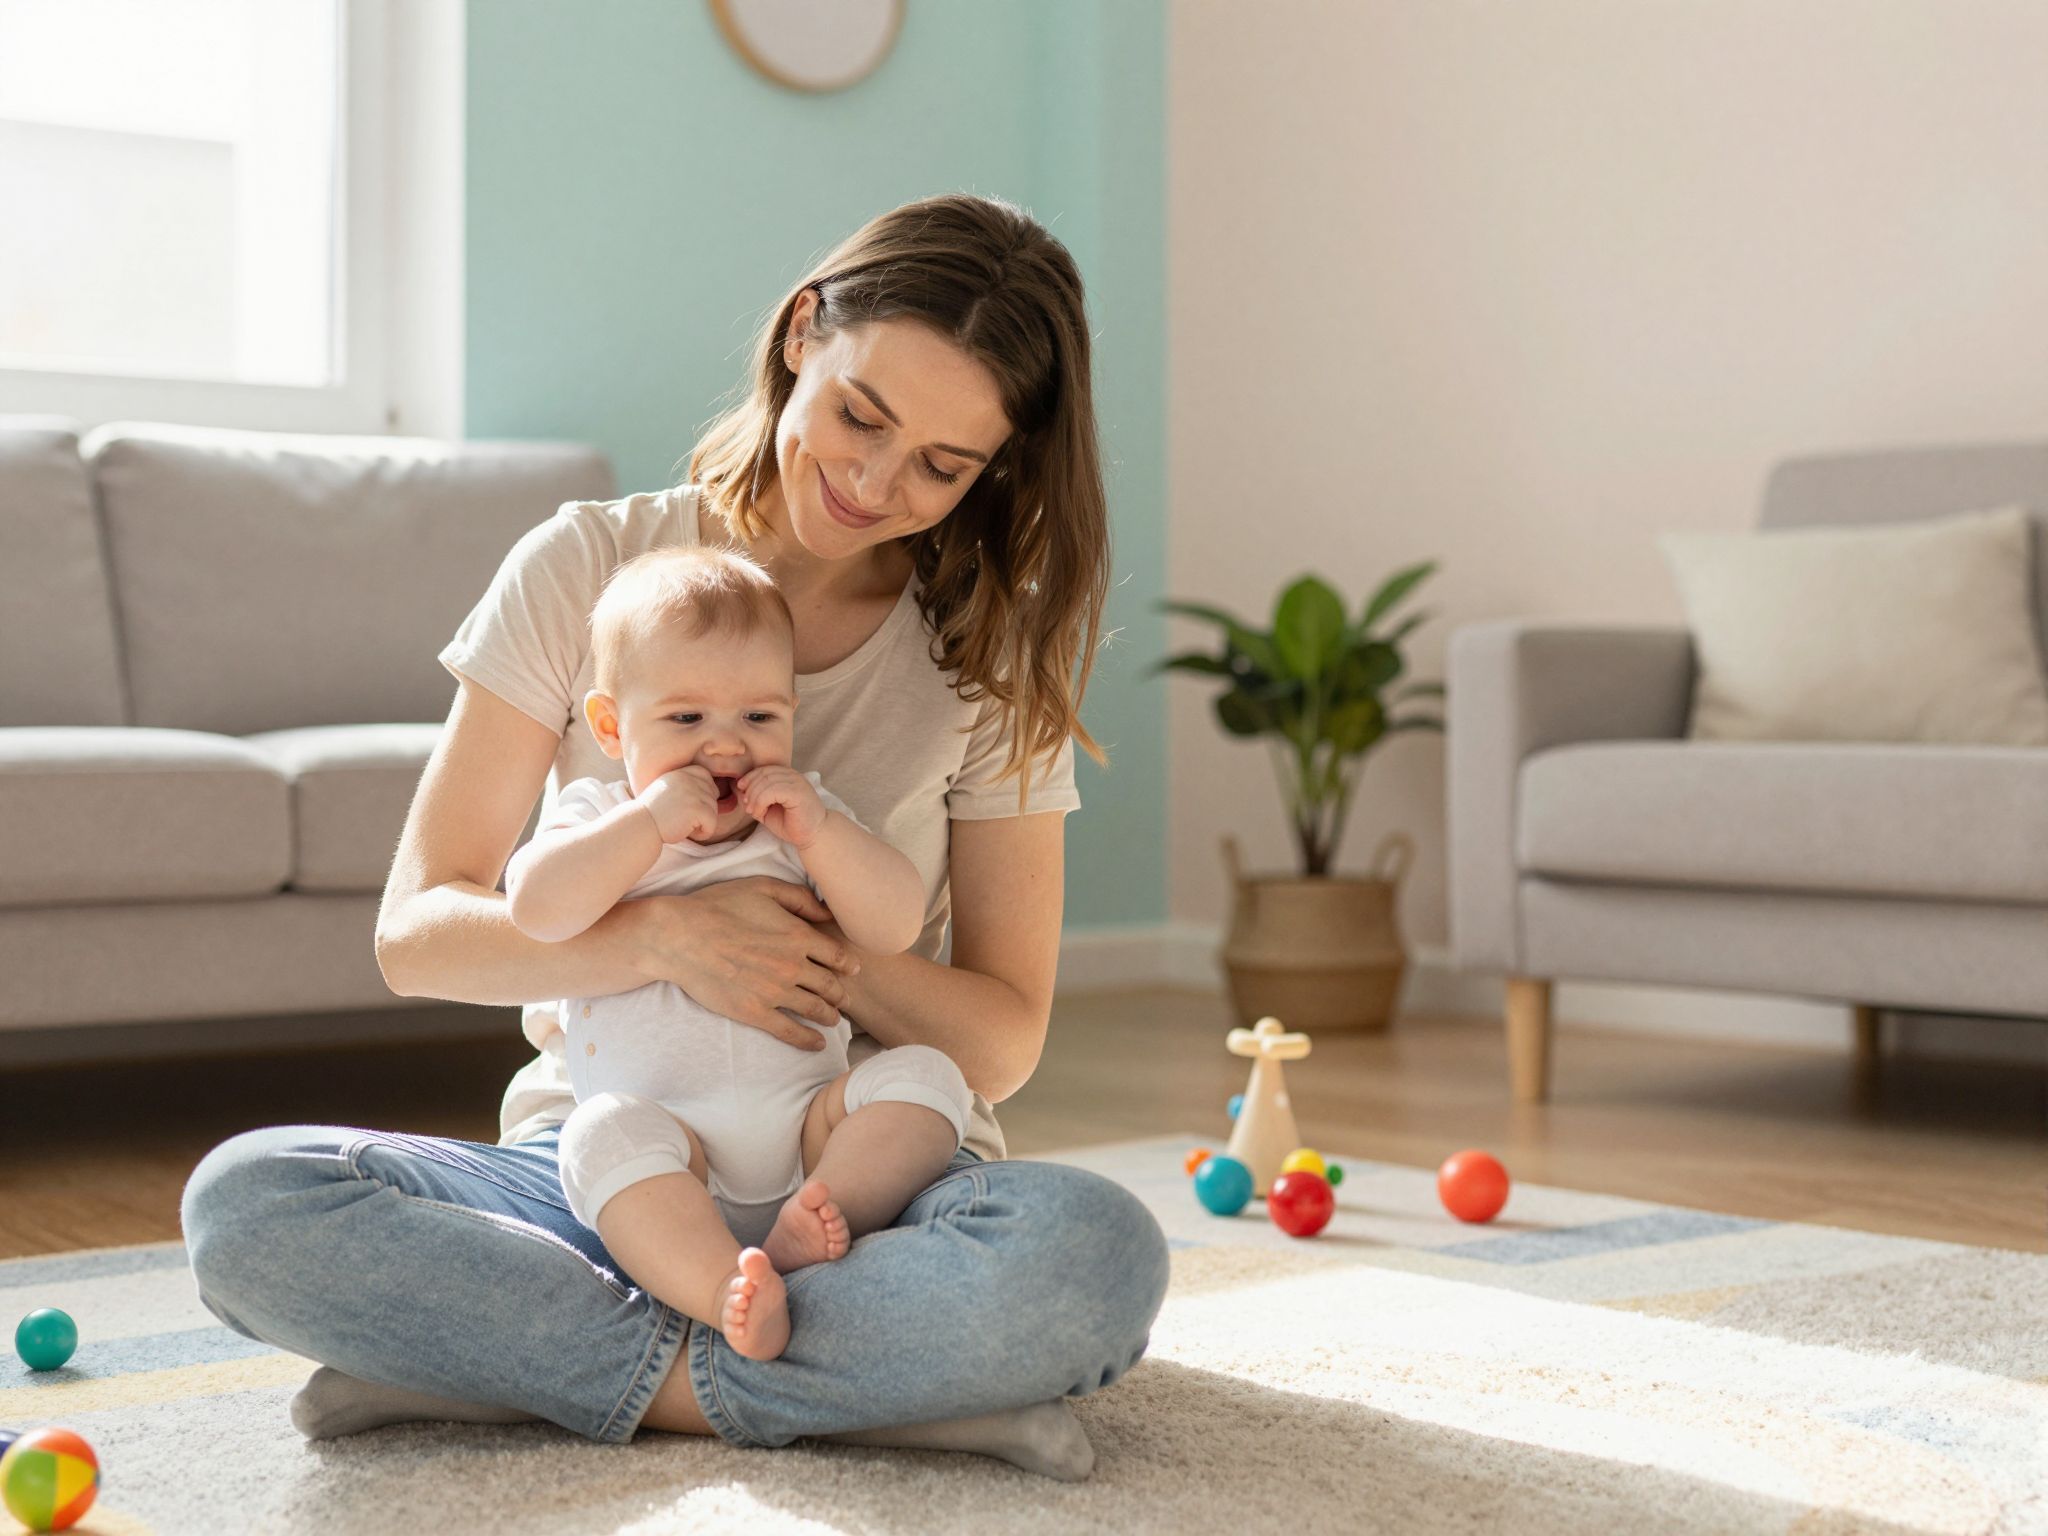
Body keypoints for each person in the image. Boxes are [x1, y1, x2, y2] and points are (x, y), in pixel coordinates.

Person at [179, 192, 1170, 1483]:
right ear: (805, 331)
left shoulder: (991, 647)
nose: (876, 484)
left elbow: (1002, 1037)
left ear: (999, 468)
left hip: (864, 1187)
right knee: (251, 1205)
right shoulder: (590, 566)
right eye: (863, 415)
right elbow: (417, 936)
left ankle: (532, 1372)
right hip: (609, 1167)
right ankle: (858, 1390)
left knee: (1095, 1256)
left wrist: (809, 954)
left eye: (943, 465)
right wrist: (671, 939)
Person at [511, 545, 976, 1363]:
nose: (726, 750)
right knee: (599, 1139)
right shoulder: (599, 814)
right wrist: (647, 825)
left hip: (808, 1135)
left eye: (758, 719)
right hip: (669, 1151)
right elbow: (537, 910)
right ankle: (726, 1288)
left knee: (929, 1079)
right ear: (613, 725)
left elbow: (895, 923)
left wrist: (824, 833)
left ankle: (820, 1220)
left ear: (792, 712)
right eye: (686, 720)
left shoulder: (802, 819)